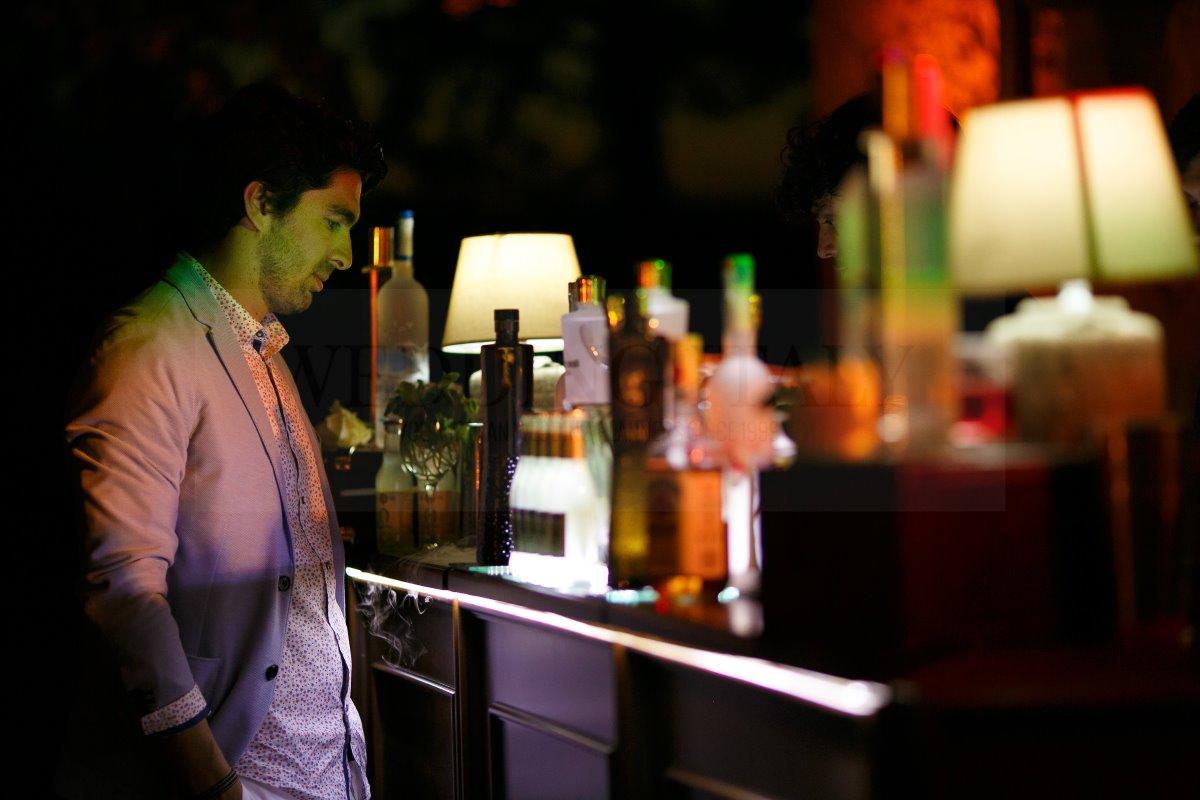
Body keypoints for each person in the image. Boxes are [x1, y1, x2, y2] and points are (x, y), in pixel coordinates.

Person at [57, 83, 386, 800]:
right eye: (334, 222)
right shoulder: (150, 344)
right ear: (261, 203)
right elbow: (123, 591)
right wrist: (211, 783)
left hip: (329, 773)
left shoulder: (265, 350)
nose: (346, 254)